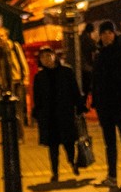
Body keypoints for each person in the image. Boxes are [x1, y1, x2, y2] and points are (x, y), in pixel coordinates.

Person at [87, 20, 121, 192]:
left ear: (115, 34)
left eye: (109, 33)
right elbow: (96, 81)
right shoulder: (100, 55)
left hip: (119, 106)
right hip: (105, 107)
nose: (106, 36)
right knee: (109, 143)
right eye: (103, 33)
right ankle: (112, 176)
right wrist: (96, 102)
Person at [29, 44, 85, 183]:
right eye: (43, 57)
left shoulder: (66, 71)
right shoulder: (39, 77)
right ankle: (55, 172)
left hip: (65, 113)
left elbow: (74, 90)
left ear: (54, 56)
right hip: (49, 115)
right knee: (53, 146)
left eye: (48, 55)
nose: (46, 59)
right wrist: (37, 112)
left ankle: (72, 162)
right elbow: (37, 97)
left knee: (69, 142)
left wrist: (79, 106)